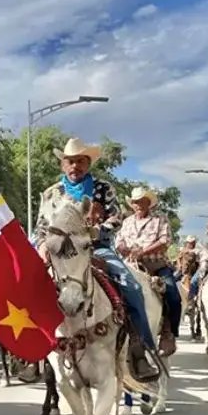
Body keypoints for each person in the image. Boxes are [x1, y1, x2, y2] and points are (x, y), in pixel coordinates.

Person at [36, 137, 159, 381]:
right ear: (63, 164)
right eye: (70, 162)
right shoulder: (51, 193)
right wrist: (41, 246)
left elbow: (115, 219)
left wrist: (96, 231)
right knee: (28, 287)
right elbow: (41, 226)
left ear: (88, 164)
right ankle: (30, 352)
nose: (75, 167)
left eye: (81, 161)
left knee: (132, 286)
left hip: (96, 248)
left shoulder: (104, 189)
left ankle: (138, 348)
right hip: (59, 252)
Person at [117, 187, 181, 356]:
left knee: (173, 295)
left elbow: (165, 241)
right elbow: (119, 242)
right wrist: (125, 250)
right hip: (129, 265)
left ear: (148, 203)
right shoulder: (127, 222)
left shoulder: (160, 219)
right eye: (135, 202)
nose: (138, 204)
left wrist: (142, 252)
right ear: (131, 204)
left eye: (141, 201)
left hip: (156, 265)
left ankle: (168, 332)